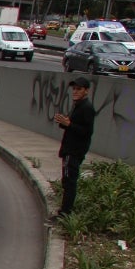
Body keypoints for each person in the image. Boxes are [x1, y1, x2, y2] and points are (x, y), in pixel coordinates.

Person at [52, 77, 95, 220]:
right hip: (69, 149)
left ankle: (65, 213)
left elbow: (87, 132)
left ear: (86, 91)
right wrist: (64, 123)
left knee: (70, 181)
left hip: (74, 150)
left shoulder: (86, 108)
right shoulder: (77, 105)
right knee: (67, 180)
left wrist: (69, 124)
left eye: (79, 89)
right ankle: (64, 210)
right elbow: (73, 125)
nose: (75, 92)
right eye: (74, 89)